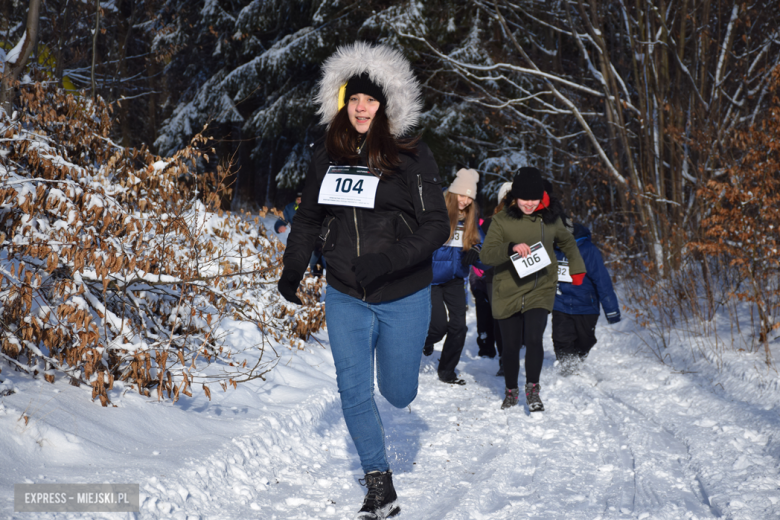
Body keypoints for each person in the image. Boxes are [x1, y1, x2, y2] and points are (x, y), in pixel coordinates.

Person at [277, 41, 449, 519]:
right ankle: (379, 483)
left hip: (403, 292)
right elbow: (308, 217)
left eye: (370, 99)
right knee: (353, 389)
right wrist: (294, 265)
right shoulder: (325, 155)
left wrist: (391, 259)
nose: (361, 107)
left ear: (386, 105)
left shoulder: (411, 156)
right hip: (345, 293)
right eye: (354, 98)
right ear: (342, 102)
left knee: (398, 393)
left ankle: (411, 357)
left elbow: (438, 225)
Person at [480, 167, 586, 412]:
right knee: (510, 344)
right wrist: (510, 248)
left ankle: (533, 390)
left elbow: (568, 242)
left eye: (534, 198)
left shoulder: (551, 219)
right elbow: (486, 255)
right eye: (524, 198)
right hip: (508, 289)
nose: (529, 204)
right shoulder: (501, 220)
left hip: (541, 288)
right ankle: (511, 391)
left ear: (541, 196)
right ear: (515, 197)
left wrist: (577, 269)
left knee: (533, 339)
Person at [423, 168, 486, 385]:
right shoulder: (435, 209)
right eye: (462, 195)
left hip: (455, 279)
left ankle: (447, 370)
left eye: (469, 197)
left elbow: (482, 249)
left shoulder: (470, 215)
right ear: (453, 192)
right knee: (438, 327)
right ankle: (425, 340)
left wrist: (477, 250)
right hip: (429, 279)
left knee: (459, 325)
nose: (465, 201)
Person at [552, 222, 621, 374]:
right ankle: (567, 366)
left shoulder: (589, 250)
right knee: (561, 337)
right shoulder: (553, 250)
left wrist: (612, 311)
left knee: (585, 340)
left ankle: (576, 360)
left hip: (585, 305)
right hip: (560, 304)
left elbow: (602, 281)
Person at [478, 181, 512, 375]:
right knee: (501, 319)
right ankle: (504, 360)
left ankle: (509, 355)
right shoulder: (490, 223)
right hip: (494, 277)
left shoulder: (526, 222)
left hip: (518, 275)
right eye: (507, 199)